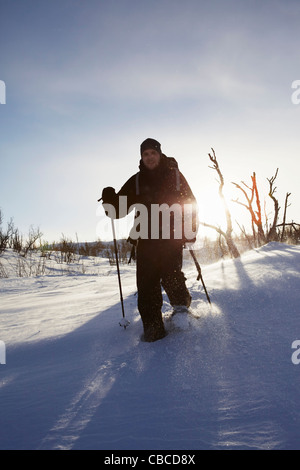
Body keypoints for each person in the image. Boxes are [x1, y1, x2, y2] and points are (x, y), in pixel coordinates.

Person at [101, 138, 198, 342]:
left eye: (152, 153)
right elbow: (118, 210)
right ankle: (153, 329)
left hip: (171, 238)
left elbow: (190, 203)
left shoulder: (175, 176)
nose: (149, 157)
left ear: (159, 154)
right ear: (141, 157)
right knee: (146, 286)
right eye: (145, 154)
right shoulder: (137, 181)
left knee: (172, 278)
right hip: (146, 241)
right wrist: (110, 200)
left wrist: (190, 231)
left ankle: (181, 312)